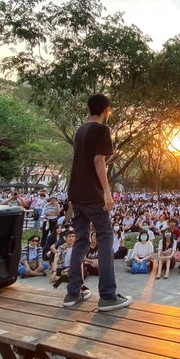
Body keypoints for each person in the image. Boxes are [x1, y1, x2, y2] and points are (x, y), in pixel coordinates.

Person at [64, 93, 131, 311]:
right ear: (106, 110)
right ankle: (108, 296)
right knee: (104, 238)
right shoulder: (102, 129)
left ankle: (73, 292)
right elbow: (98, 160)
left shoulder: (80, 131)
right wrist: (107, 192)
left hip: (77, 193)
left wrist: (72, 199)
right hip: (93, 195)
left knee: (81, 241)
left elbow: (79, 164)